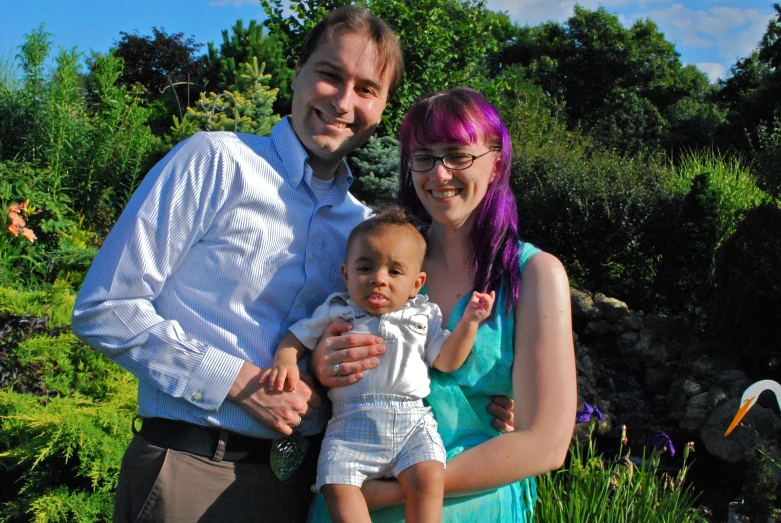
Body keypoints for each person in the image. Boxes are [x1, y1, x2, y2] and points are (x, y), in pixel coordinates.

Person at [70, 7, 402, 523]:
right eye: (330, 75)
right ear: (298, 74)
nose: (342, 102)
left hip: (302, 489)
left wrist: (489, 399)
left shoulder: (361, 231)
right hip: (192, 472)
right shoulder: (216, 163)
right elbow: (104, 308)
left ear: (382, 107)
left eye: (366, 89)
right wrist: (240, 383)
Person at [309, 87, 577, 522]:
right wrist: (322, 365)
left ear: (497, 163)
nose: (438, 174)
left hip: (463, 510)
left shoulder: (533, 274)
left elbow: (546, 442)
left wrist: (395, 491)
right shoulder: (378, 259)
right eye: (424, 157)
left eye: (457, 155)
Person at [268, 207, 495, 523]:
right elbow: (298, 336)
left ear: (417, 283)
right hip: (350, 423)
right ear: (346, 274)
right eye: (365, 268)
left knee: (429, 475)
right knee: (335, 485)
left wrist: (469, 323)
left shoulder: (423, 315)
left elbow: (446, 360)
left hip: (411, 419)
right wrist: (286, 358)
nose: (378, 279)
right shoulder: (337, 309)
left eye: (395, 272)